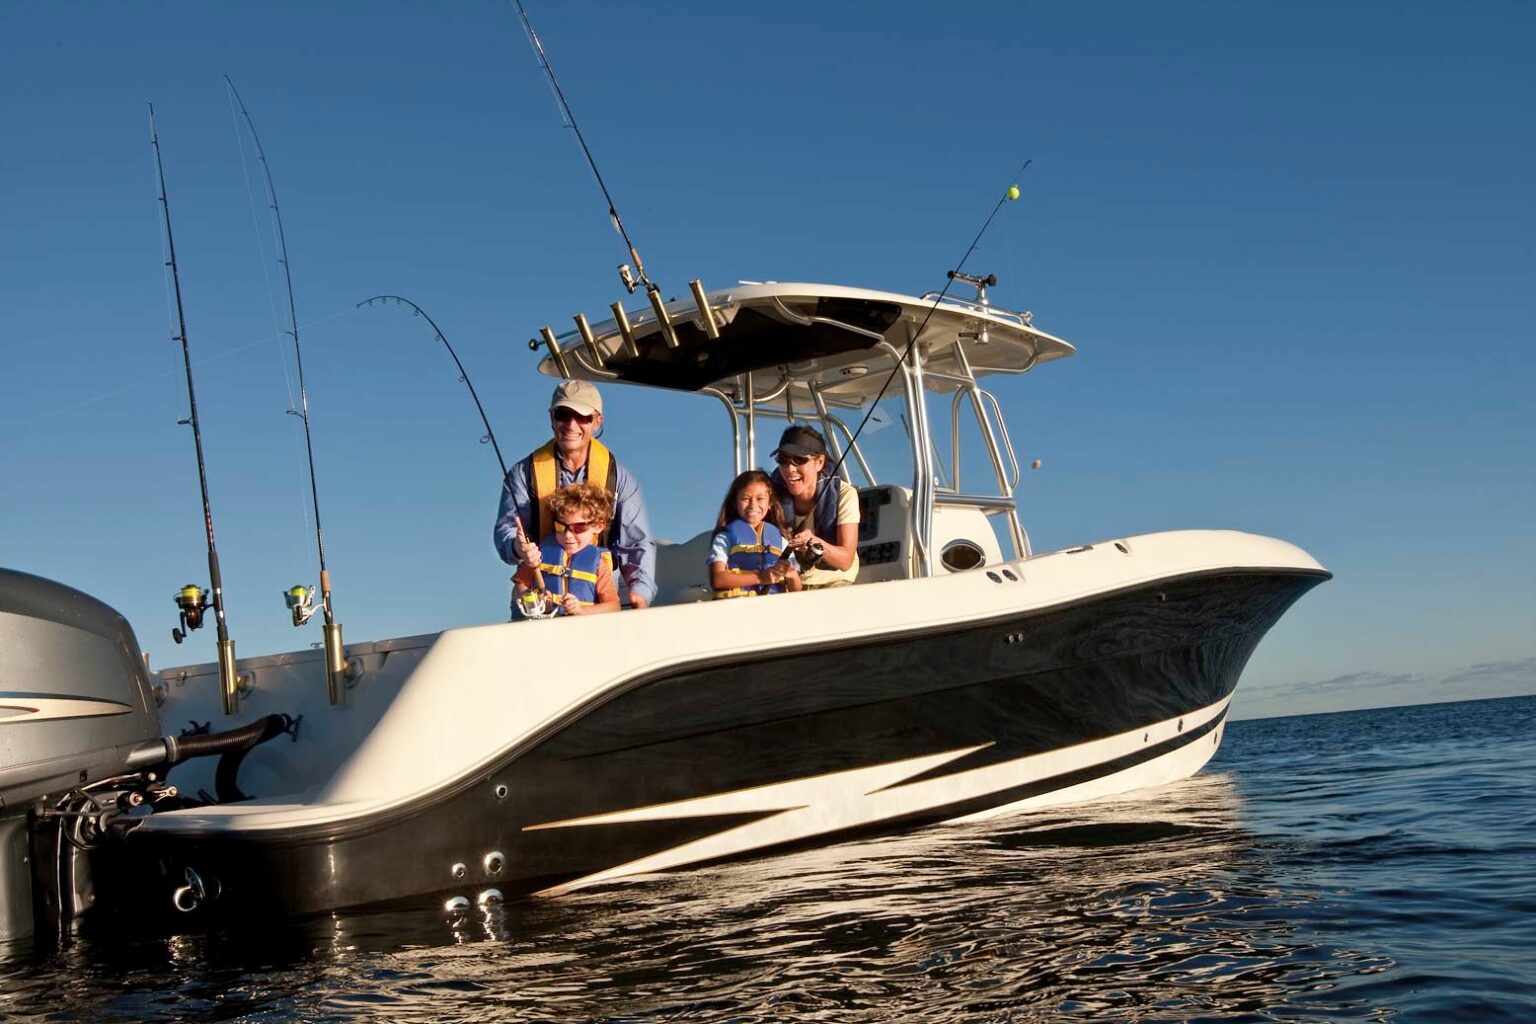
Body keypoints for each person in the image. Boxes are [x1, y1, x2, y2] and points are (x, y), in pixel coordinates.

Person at [494, 379, 656, 609]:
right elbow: (506, 531)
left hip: (596, 602)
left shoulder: (620, 479)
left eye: (583, 417)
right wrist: (517, 548)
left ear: (597, 421)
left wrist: (640, 592)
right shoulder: (522, 474)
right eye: (563, 415)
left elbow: (637, 543)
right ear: (552, 419)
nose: (571, 425)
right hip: (537, 603)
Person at [768, 425, 861, 589]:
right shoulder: (768, 495)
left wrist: (815, 543)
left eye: (799, 460)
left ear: (819, 462)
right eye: (783, 460)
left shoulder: (845, 494)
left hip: (834, 582)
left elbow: (846, 560)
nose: (790, 469)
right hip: (787, 582)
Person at [511, 483, 621, 617]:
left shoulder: (598, 563)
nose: (568, 535)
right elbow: (520, 585)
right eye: (561, 527)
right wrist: (535, 601)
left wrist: (580, 610)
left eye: (579, 528)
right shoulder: (540, 552)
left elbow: (613, 606)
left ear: (598, 526)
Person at [708, 470, 801, 599]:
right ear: (735, 503)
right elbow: (718, 579)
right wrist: (761, 577)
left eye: (760, 499)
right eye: (746, 499)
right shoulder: (724, 538)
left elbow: (796, 590)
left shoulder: (781, 540)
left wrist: (792, 575)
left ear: (770, 503)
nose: (753, 505)